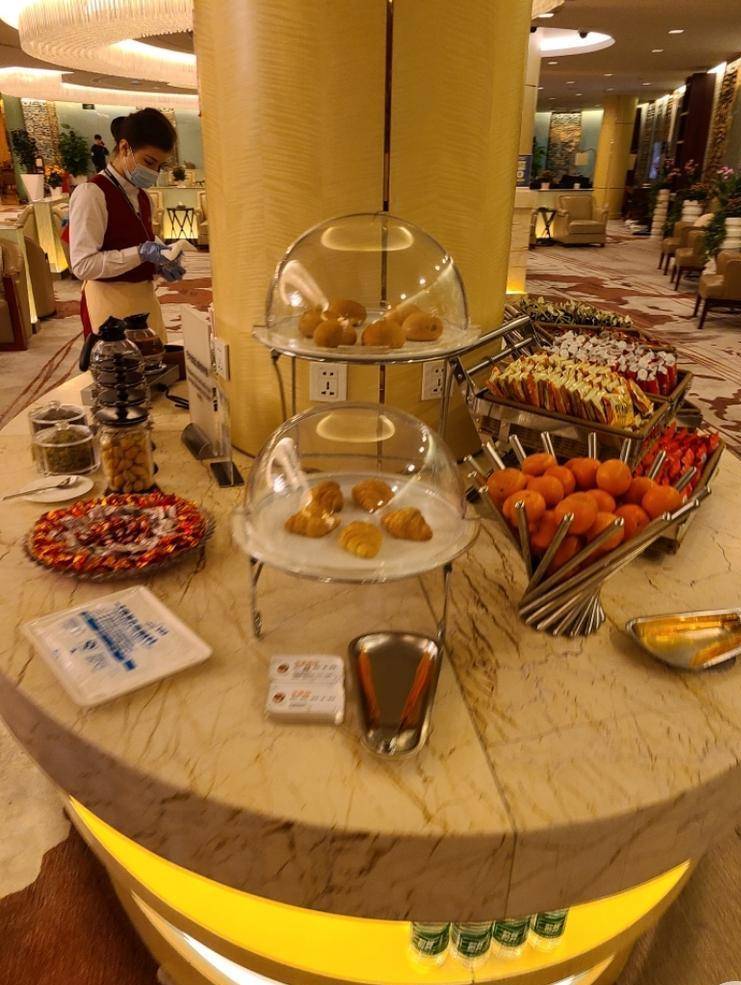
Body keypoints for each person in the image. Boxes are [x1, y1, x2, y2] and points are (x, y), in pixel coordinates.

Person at [69, 108, 185, 339]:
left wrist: (162, 263)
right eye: (149, 162)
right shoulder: (92, 193)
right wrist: (140, 253)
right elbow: (83, 265)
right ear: (124, 148)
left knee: (155, 355)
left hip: (144, 299)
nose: (153, 172)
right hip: (108, 304)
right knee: (121, 359)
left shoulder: (143, 197)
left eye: (159, 166)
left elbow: (141, 242)